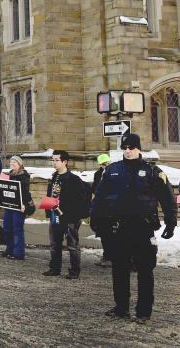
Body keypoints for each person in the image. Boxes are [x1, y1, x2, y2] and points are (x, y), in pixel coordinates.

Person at [91, 133, 176, 323]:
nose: (128, 151)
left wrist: (171, 222)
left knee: (145, 270)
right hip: (119, 228)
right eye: (125, 148)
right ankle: (121, 308)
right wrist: (95, 219)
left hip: (143, 228)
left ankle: (143, 311)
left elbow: (167, 199)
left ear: (139, 149)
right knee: (119, 269)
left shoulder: (152, 171)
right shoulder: (112, 170)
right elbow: (100, 196)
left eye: (131, 148)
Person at [43, 149, 89, 280]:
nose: (54, 163)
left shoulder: (73, 179)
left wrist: (74, 215)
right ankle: (54, 268)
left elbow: (81, 199)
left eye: (57, 160)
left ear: (65, 162)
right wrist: (48, 210)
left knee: (72, 245)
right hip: (54, 216)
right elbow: (50, 195)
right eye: (53, 160)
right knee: (55, 244)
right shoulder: (54, 177)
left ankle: (74, 271)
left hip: (69, 218)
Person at [2, 155, 34, 260]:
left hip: (20, 206)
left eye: (14, 163)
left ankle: (18, 252)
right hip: (10, 205)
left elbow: (24, 192)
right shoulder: (10, 174)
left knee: (17, 229)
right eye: (11, 163)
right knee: (7, 227)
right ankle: (9, 248)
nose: (12, 164)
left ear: (19, 164)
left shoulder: (23, 176)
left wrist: (24, 204)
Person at [92, 153, 112, 266]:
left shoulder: (115, 173)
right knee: (104, 234)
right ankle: (107, 256)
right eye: (104, 164)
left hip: (112, 209)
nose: (107, 166)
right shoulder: (98, 174)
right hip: (101, 209)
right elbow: (95, 189)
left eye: (108, 163)